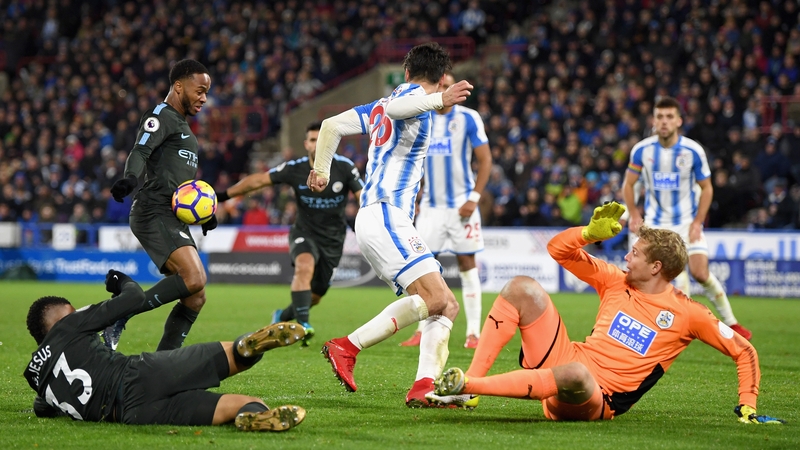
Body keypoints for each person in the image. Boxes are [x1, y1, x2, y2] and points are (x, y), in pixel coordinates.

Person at [430, 203, 784, 425]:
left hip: (595, 397)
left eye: (635, 254)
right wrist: (586, 234)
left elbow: (744, 350)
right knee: (522, 287)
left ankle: (468, 384)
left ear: (656, 266)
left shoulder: (690, 314)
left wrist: (748, 406)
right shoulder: (616, 281)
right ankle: (467, 391)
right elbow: (558, 251)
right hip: (568, 361)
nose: (626, 258)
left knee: (576, 374)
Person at [307, 42, 473, 407]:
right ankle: (346, 347)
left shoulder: (378, 107)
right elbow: (400, 106)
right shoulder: (409, 99)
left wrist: (321, 169)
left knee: (445, 305)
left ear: (408, 69)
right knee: (434, 298)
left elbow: (331, 125)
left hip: (385, 218)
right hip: (384, 213)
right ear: (441, 77)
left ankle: (422, 386)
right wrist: (439, 99)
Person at [24, 270, 306, 431]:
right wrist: (118, 280)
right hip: (138, 376)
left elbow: (42, 408)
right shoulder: (69, 326)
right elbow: (134, 297)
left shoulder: (36, 378)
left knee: (239, 404)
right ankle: (246, 346)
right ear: (60, 321)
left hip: (133, 415)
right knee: (234, 356)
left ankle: (252, 416)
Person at [215, 121, 364, 346]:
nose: (318, 144)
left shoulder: (344, 167)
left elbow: (362, 195)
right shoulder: (295, 168)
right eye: (314, 140)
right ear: (306, 144)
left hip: (333, 240)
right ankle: (303, 325)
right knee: (304, 267)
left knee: (315, 296)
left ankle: (282, 317)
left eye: (323, 139)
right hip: (304, 233)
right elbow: (259, 180)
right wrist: (223, 195)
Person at [107, 59, 219, 351]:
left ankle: (162, 368)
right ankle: (118, 311)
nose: (204, 98)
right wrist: (130, 178)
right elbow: (140, 150)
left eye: (207, 92)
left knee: (196, 296)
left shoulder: (185, 130)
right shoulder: (161, 115)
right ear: (178, 86)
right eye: (200, 90)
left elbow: (181, 187)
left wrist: (204, 215)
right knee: (194, 277)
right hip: (152, 210)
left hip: (172, 216)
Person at [621, 96, 751, 340]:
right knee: (658, 278)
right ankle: (673, 328)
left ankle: (732, 323)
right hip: (656, 226)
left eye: (669, 117)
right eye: (660, 116)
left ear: (679, 121)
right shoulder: (642, 150)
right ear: (653, 120)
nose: (664, 122)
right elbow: (628, 185)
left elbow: (708, 188)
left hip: (686, 222)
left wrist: (697, 222)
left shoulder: (693, 151)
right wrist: (634, 213)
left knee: (700, 272)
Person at [399, 70, 492, 349]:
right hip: (431, 208)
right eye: (441, 86)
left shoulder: (468, 118)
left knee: (467, 265)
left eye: (450, 86)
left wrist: (474, 197)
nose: (445, 91)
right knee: (421, 269)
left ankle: (473, 333)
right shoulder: (422, 117)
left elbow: (485, 161)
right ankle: (420, 330)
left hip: (462, 206)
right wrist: (415, 196)